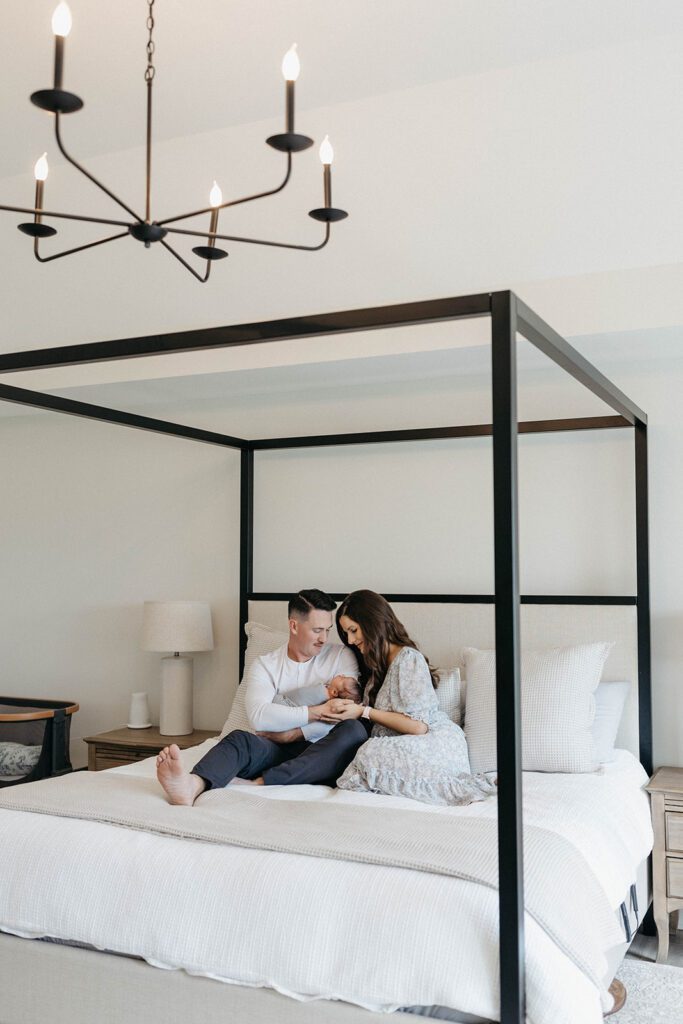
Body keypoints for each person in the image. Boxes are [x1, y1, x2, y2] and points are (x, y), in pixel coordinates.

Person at [156, 589, 368, 805]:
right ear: (294, 626)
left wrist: (294, 734)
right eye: (317, 630)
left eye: (327, 630)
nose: (324, 638)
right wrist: (316, 712)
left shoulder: (341, 656)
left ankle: (261, 782)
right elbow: (259, 717)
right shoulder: (266, 665)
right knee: (240, 739)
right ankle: (192, 785)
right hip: (276, 750)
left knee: (354, 731)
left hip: (325, 751)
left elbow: (345, 714)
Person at [321, 590, 497, 807]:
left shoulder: (408, 659)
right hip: (408, 742)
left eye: (353, 630)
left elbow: (418, 727)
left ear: (373, 622)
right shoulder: (377, 666)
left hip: (434, 742)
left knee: (369, 752)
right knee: (363, 751)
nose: (350, 639)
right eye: (346, 633)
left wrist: (363, 711)